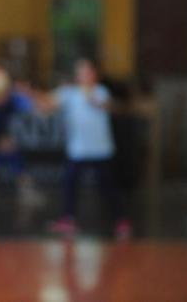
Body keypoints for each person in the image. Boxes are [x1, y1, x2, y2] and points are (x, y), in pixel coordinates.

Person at [36, 59, 132, 239]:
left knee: (108, 187)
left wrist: (92, 99)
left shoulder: (101, 92)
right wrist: (28, 93)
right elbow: (46, 104)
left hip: (100, 150)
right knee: (70, 185)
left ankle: (121, 221)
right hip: (78, 150)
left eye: (87, 72)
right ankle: (68, 220)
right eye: (80, 72)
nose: (83, 75)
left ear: (95, 74)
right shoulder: (69, 93)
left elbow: (108, 106)